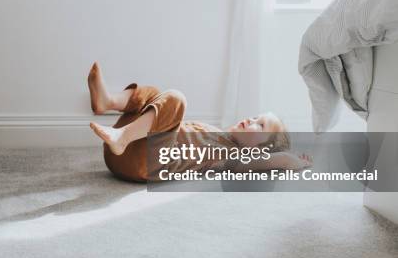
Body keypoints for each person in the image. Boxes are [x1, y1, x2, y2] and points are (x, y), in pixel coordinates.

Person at [87, 62, 312, 182]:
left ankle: (122, 136)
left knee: (176, 99)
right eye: (256, 117)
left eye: (260, 125)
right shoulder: (215, 132)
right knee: (155, 94)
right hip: (123, 154)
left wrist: (293, 161)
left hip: (147, 164)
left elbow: (276, 160)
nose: (251, 120)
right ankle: (108, 102)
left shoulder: (232, 158)